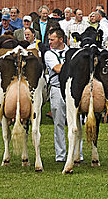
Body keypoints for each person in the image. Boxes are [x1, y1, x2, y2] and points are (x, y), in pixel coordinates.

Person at [44, 27, 69, 162]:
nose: (50, 42)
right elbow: (58, 69)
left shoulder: (70, 51)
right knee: (58, 122)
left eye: (52, 40)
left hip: (71, 90)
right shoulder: (49, 54)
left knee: (75, 122)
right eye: (49, 40)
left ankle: (78, 153)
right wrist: (72, 65)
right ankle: (60, 155)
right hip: (57, 88)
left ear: (61, 39)